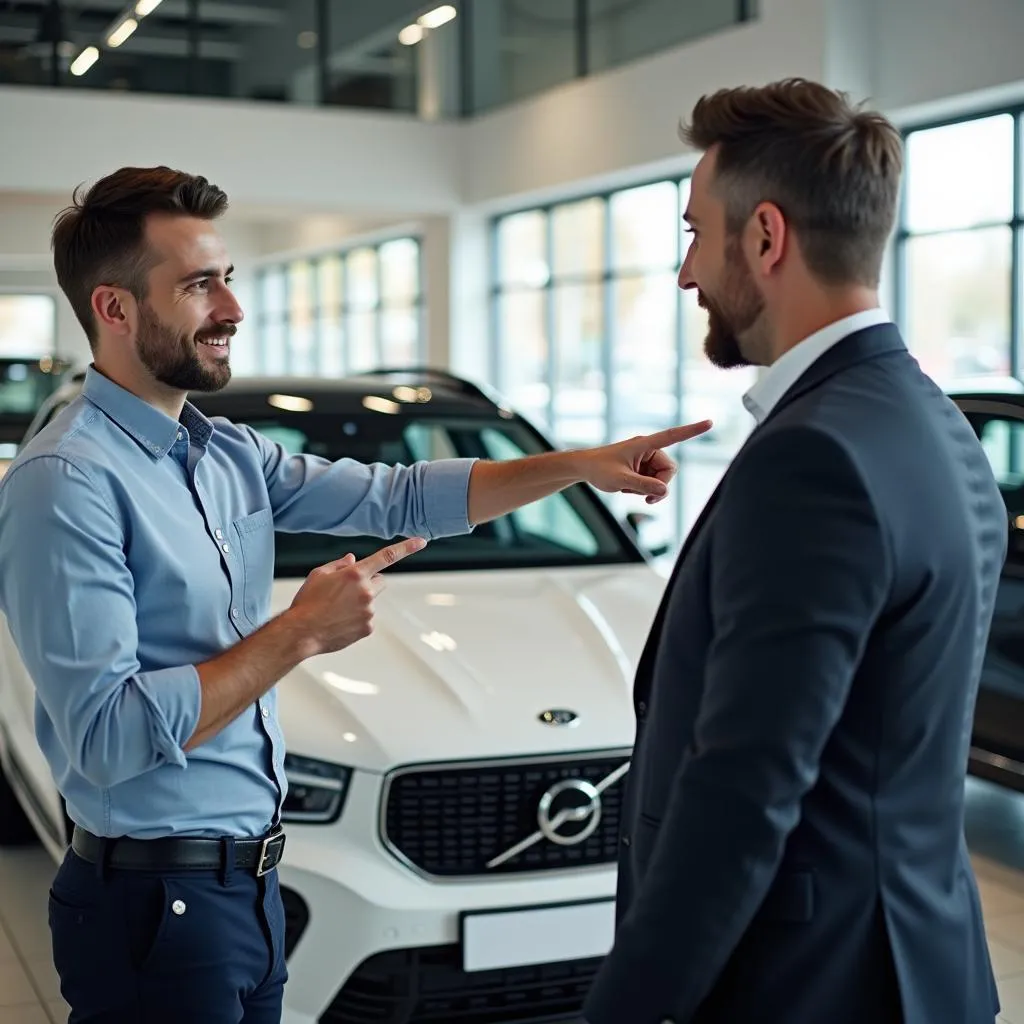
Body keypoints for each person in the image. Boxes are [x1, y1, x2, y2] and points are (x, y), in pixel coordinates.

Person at [0, 165, 711, 1024]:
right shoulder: (66, 482)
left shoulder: (224, 456)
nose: (230, 308)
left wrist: (575, 467)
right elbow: (110, 736)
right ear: (113, 309)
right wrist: (297, 635)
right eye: (197, 285)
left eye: (227, 277)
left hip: (245, 886)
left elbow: (401, 495)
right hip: (155, 904)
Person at [582, 78, 1006, 1024]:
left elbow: (742, 793)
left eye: (696, 233)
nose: (687, 273)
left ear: (765, 237)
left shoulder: (812, 458)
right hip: (920, 962)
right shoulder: (933, 424)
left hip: (805, 982)